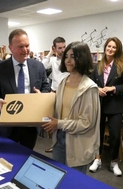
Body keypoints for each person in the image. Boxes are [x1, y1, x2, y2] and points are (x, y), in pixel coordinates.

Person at [42, 42, 100, 174]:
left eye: (73, 56)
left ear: (82, 58)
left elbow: (86, 122)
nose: (68, 60)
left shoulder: (89, 88)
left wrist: (59, 123)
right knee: (58, 177)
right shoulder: (63, 82)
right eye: (66, 56)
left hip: (78, 141)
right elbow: (58, 108)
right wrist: (41, 100)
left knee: (75, 183)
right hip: (59, 138)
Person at [0, 29, 50, 149]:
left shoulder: (38, 66)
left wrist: (41, 95)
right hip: (8, 125)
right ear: (11, 48)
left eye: (27, 45)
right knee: (7, 159)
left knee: (27, 157)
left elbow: (45, 87)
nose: (25, 50)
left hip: (30, 124)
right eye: (21, 46)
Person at [89, 37, 123, 176]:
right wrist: (97, 89)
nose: (110, 49)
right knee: (98, 134)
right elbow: (90, 83)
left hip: (115, 106)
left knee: (114, 135)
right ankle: (98, 158)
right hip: (99, 104)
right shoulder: (98, 66)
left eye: (114, 47)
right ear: (105, 47)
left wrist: (112, 88)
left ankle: (114, 162)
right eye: (109, 46)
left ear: (117, 49)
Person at [42, 36, 69, 153]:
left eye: (64, 47)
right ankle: (55, 145)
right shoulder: (52, 60)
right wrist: (49, 54)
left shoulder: (69, 60)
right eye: (59, 48)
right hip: (55, 93)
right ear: (54, 48)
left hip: (67, 94)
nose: (62, 50)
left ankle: (67, 146)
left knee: (66, 120)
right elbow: (42, 66)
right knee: (54, 120)